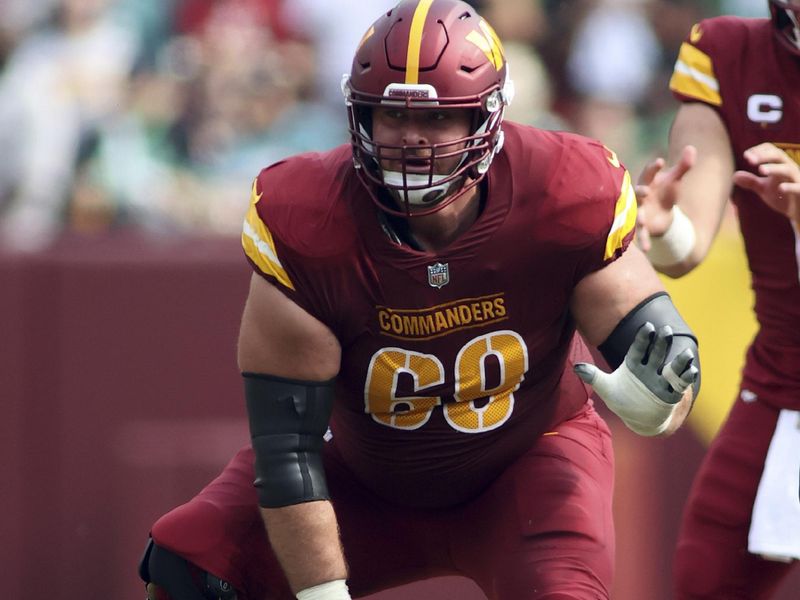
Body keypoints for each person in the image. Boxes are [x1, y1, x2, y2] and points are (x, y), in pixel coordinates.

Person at [139, 1, 701, 598]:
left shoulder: (560, 190)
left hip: (528, 467)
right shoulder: (306, 220)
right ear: (359, 114)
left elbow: (665, 352)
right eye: (389, 114)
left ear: (486, 118)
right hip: (365, 479)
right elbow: (287, 451)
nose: (410, 140)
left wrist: (662, 401)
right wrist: (321, 593)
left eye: (436, 121)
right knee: (189, 568)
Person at [635, 2, 800, 598]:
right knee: (706, 581)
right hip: (784, 384)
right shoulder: (731, 54)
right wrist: (663, 224)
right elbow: (688, 244)